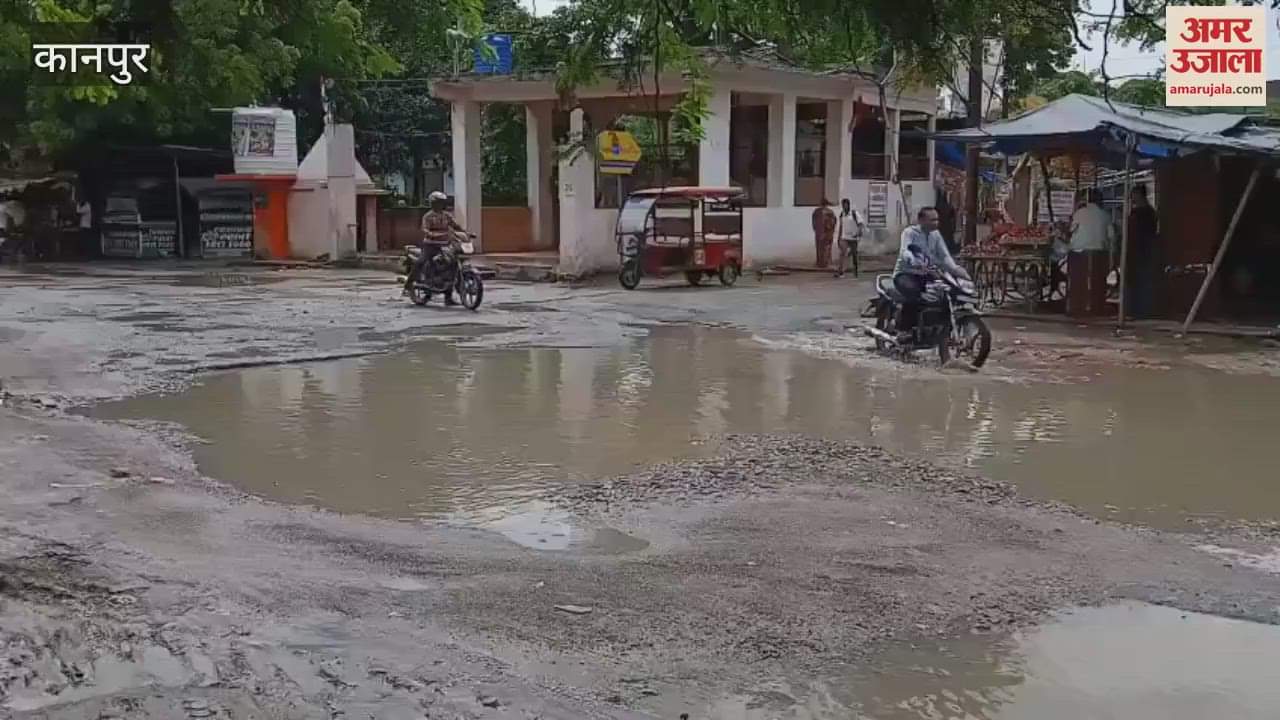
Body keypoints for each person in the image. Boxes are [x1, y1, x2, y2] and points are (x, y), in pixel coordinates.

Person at [893, 206, 970, 342]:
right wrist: (914, 260)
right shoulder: (909, 233)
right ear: (921, 220)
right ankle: (903, 329)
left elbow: (944, 256)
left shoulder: (936, 235)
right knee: (914, 293)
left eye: (937, 219)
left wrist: (956, 269)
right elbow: (905, 251)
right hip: (906, 274)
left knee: (949, 292)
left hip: (928, 274)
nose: (936, 222)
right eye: (932, 220)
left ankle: (941, 328)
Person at [404, 191, 465, 304]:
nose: (440, 205)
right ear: (432, 203)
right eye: (437, 202)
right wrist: (431, 234)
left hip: (445, 244)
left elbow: (455, 225)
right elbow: (425, 229)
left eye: (441, 202)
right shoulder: (428, 216)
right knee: (421, 261)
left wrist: (465, 232)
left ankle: (448, 297)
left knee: (452, 264)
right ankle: (408, 284)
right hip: (430, 245)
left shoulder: (447, 215)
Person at [1067, 189, 1114, 317]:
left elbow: (1071, 229)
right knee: (1098, 282)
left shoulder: (1079, 213)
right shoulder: (1105, 215)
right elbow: (1111, 237)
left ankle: (1076, 307)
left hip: (1079, 251)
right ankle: (1097, 308)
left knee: (1077, 281)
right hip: (1099, 252)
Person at [1126, 184, 1159, 319]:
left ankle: (1138, 311)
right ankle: (1138, 311)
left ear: (1140, 195)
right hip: (1141, 250)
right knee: (1138, 281)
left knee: (1140, 281)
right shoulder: (1150, 212)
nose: (1131, 197)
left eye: (1133, 194)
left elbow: (1135, 232)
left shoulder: (1142, 213)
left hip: (1140, 250)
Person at [835, 198, 864, 277]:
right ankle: (840, 271)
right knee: (842, 253)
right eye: (843, 205)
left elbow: (861, 224)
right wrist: (839, 237)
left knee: (854, 254)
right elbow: (841, 226)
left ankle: (855, 270)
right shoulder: (842, 214)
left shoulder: (854, 213)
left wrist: (858, 232)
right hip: (844, 237)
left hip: (853, 237)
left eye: (846, 205)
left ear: (848, 205)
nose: (844, 207)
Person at [811, 198, 837, 268]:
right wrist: (831, 231)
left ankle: (820, 262)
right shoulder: (830, 212)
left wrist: (816, 230)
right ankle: (827, 262)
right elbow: (833, 223)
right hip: (827, 233)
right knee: (827, 248)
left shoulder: (816, 211)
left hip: (819, 233)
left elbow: (813, 223)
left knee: (819, 248)